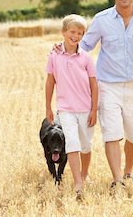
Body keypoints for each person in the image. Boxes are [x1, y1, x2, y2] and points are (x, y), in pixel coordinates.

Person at [54, 0, 133, 188]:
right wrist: (62, 48)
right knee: (112, 133)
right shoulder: (102, 19)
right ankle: (117, 179)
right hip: (108, 85)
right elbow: (85, 46)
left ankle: (128, 171)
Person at [45, 14, 98, 201]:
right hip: (65, 109)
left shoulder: (86, 57)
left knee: (85, 145)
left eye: (80, 33)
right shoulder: (54, 56)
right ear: (63, 32)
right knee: (73, 144)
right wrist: (48, 107)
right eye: (72, 32)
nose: (75, 36)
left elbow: (94, 85)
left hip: (85, 108)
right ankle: (78, 182)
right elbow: (50, 82)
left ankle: (84, 173)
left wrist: (94, 110)